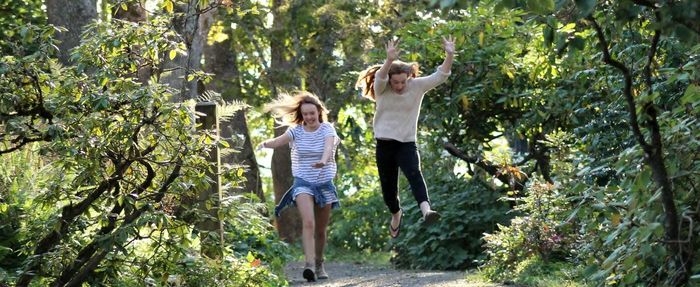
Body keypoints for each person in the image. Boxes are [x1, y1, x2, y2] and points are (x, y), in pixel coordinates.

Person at [355, 36, 455, 239]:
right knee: (388, 189)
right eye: (396, 82)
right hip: (384, 145)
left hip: (407, 143)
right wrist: (389, 60)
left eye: (402, 81)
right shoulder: (382, 89)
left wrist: (449, 54)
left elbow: (441, 75)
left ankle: (426, 210)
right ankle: (396, 213)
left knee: (414, 174)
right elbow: (381, 76)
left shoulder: (417, 86)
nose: (399, 86)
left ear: (409, 77)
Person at [258, 91, 340, 282]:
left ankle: (320, 264)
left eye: (313, 113)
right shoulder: (296, 131)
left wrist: (323, 160)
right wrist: (264, 144)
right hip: (303, 183)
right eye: (306, 114)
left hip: (325, 183)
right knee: (309, 223)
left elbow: (328, 148)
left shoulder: (328, 129)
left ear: (319, 112)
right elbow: (278, 142)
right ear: (301, 115)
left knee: (321, 229)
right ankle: (309, 264)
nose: (309, 117)